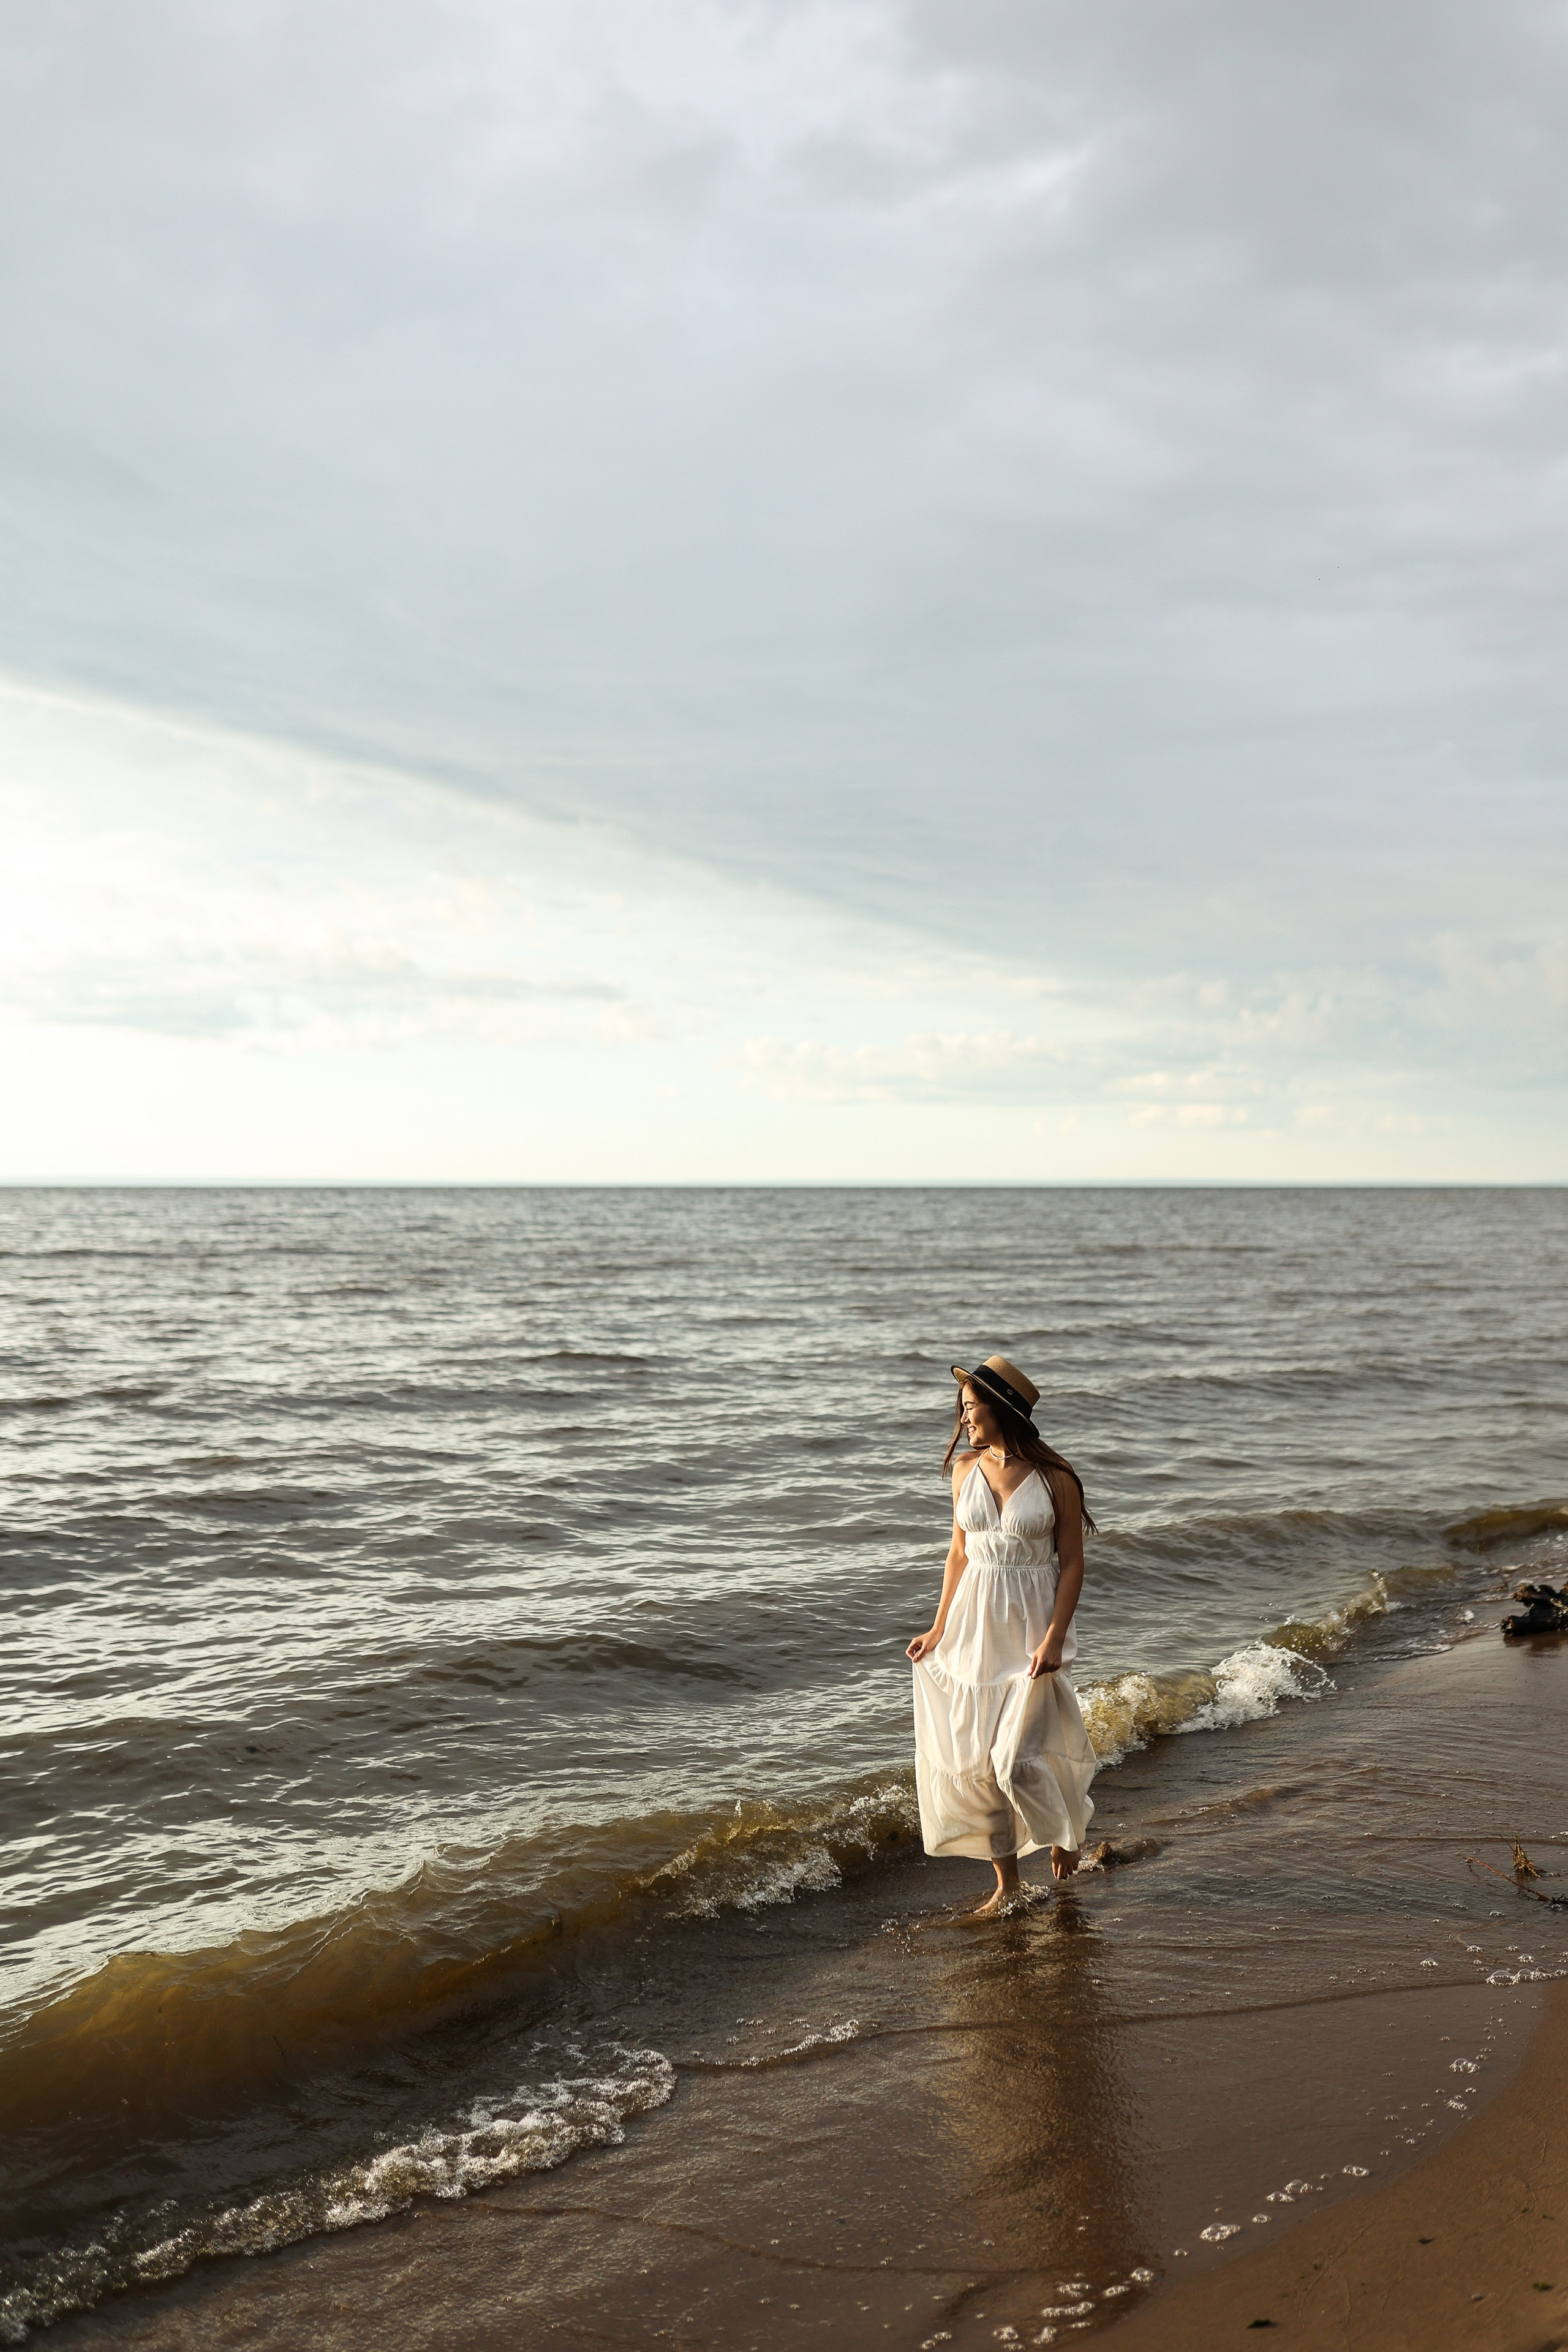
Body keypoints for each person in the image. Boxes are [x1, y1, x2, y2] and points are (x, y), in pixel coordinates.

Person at [907, 1354, 1098, 1915]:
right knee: (976, 1763)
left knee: (1014, 1759)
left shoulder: (1056, 1478)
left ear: (1003, 1409)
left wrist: (1055, 1638)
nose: (964, 1419)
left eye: (972, 1408)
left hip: (1030, 1633)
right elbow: (959, 1554)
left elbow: (1072, 1565)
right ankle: (1007, 1883)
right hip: (972, 1629)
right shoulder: (966, 1471)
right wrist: (939, 1627)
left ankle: (1067, 1831)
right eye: (963, 1410)